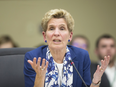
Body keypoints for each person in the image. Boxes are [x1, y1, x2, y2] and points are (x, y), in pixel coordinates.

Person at [24, 9, 110, 87]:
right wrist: (40, 77)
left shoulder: (82, 56)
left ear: (70, 36)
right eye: (51, 28)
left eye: (62, 28)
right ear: (44, 36)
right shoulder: (33, 58)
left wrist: (95, 81)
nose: (56, 33)